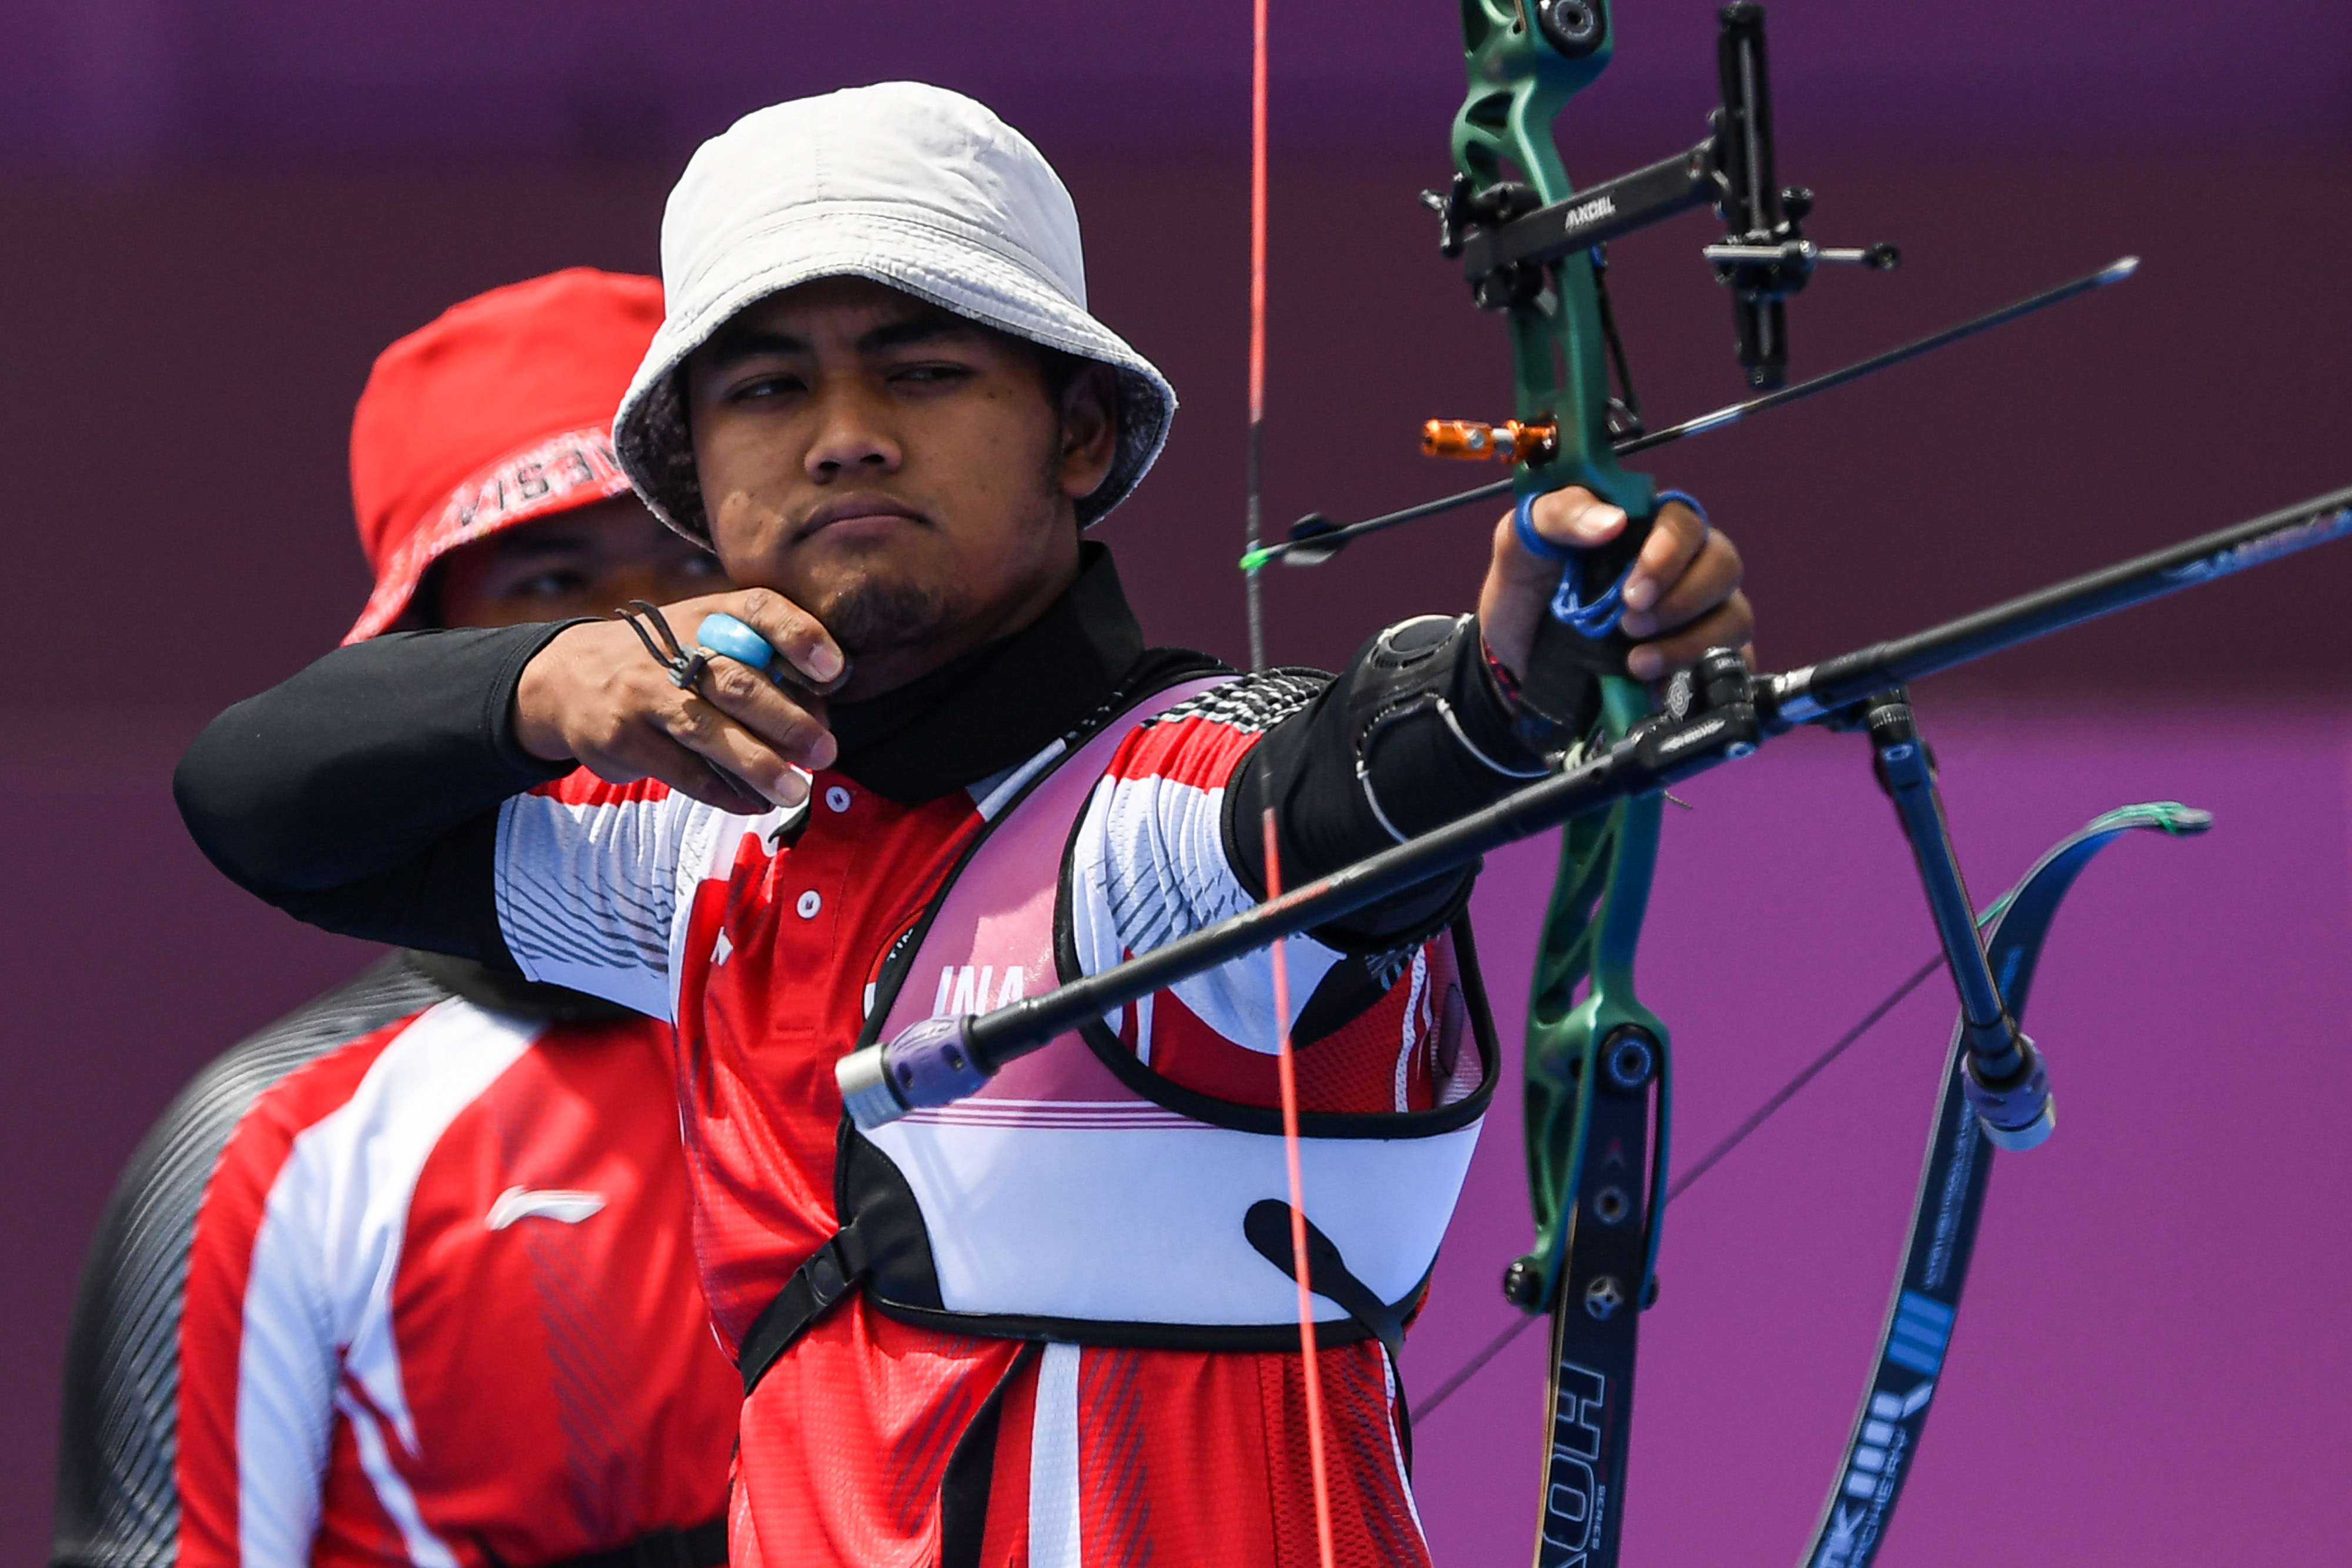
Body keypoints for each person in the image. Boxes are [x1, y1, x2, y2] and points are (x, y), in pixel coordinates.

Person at [174, 86, 1752, 1567]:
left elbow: (1347, 780)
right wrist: (546, 676)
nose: (844, 431)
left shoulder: (1160, 810)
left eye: (920, 371)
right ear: (701, 481)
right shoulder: (707, 846)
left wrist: (1514, 680)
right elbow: (259, 802)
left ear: (1077, 437)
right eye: (769, 388)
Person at [56, 270, 742, 1568]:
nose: (646, 642)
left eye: (695, 561)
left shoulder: (939, 1012)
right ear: (427, 659)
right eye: (549, 584)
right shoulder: (274, 1140)